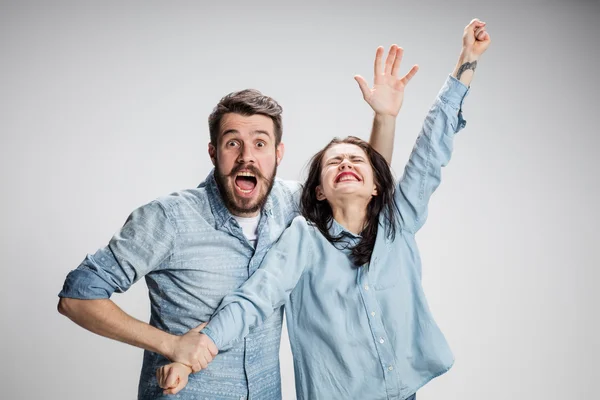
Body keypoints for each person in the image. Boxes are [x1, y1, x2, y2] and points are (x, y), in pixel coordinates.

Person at [57, 42, 419, 398]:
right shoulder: (168, 219)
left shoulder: (293, 205)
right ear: (214, 152)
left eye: (260, 144)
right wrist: (171, 345)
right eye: (233, 143)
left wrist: (384, 118)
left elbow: (360, 196)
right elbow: (77, 297)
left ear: (278, 153)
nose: (247, 157)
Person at [155, 19, 490, 400]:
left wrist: (467, 61)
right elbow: (254, 299)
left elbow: (432, 150)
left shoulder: (399, 221)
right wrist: (188, 357)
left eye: (355, 159)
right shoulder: (304, 240)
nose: (346, 164)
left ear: (376, 183)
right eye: (334, 162)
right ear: (318, 191)